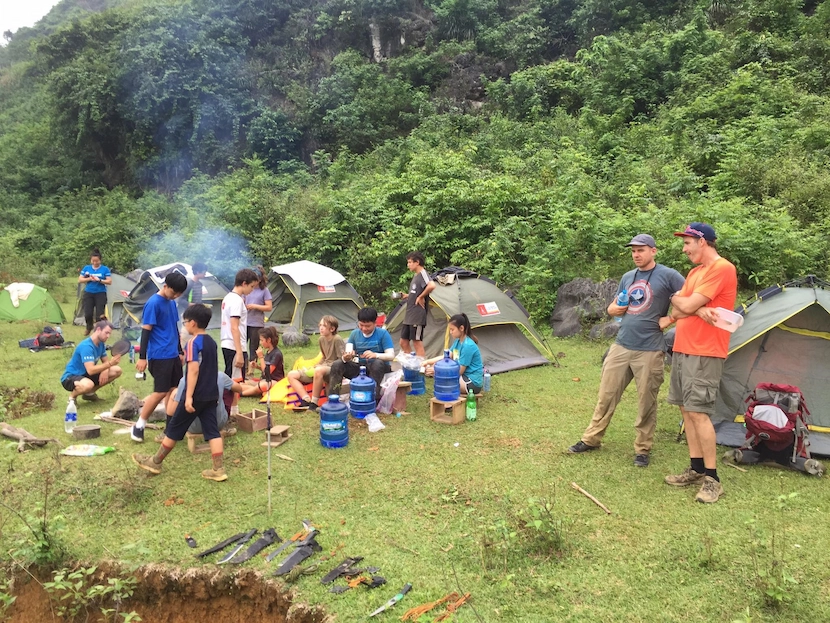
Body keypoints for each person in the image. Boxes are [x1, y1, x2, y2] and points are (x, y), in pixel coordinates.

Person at [567, 234, 686, 467]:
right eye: (633, 251)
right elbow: (613, 308)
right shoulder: (628, 277)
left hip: (650, 349)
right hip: (621, 345)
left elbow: (690, 300)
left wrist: (670, 318)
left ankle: (642, 449)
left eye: (641, 250)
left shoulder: (669, 275)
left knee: (646, 402)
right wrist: (616, 308)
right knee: (606, 396)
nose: (636, 255)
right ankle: (591, 439)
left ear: (653, 251)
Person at [664, 222, 737, 504]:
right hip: (683, 347)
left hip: (706, 351)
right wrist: (692, 305)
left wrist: (689, 304)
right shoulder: (695, 272)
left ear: (702, 241)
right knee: (686, 409)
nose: (684, 250)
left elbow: (686, 305)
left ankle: (712, 479)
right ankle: (695, 469)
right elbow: (678, 309)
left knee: (698, 412)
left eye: (687, 244)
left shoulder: (722, 268)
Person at [132, 304, 228, 481]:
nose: (184, 326)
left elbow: (193, 371)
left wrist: (189, 396)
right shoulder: (211, 342)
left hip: (195, 396)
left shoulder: (193, 343)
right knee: (212, 431)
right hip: (211, 394)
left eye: (184, 322)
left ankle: (155, 462)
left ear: (192, 323)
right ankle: (218, 469)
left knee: (174, 429)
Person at [131, 272, 187, 443]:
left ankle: (169, 428)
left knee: (174, 390)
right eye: (174, 292)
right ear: (166, 286)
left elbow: (174, 328)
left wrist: (180, 351)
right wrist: (142, 357)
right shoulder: (153, 303)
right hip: (159, 355)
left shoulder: (171, 303)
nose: (176, 296)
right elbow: (146, 330)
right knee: (160, 391)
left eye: (179, 294)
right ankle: (139, 425)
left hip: (172, 354)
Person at [329, 307, 394, 401]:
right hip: (361, 368)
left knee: (377, 363)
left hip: (380, 369)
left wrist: (376, 355)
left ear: (375, 323)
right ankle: (333, 400)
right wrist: (347, 357)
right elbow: (348, 353)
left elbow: (391, 355)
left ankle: (372, 400)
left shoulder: (383, 333)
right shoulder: (355, 334)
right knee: (337, 364)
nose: (364, 328)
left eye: (368, 326)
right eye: (361, 325)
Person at [286, 315, 345, 410]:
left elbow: (341, 360)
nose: (321, 328)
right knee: (291, 374)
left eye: (324, 326)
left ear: (332, 329)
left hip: (333, 368)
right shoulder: (321, 339)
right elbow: (324, 357)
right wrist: (315, 366)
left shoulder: (337, 339)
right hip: (322, 367)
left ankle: (314, 403)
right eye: (320, 325)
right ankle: (306, 399)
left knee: (318, 370)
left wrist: (320, 367)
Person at [60, 320, 122, 401]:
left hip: (85, 374)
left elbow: (105, 362)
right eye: (106, 333)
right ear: (98, 330)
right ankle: (72, 398)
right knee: (88, 385)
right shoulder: (87, 346)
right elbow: (91, 370)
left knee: (117, 370)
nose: (108, 336)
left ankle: (89, 394)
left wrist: (105, 371)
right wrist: (110, 364)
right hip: (71, 376)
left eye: (109, 333)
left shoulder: (101, 344)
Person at [424, 313, 484, 394]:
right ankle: (446, 403)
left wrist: (437, 371)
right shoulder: (458, 342)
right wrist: (427, 362)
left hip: (472, 382)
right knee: (441, 376)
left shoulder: (468, 346)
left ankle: (447, 404)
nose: (451, 332)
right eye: (450, 330)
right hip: (462, 377)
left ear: (461, 328)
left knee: (444, 381)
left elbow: (459, 371)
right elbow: (445, 356)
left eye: (452, 329)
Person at [399, 252, 436, 357]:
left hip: (417, 315)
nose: (408, 265)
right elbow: (415, 292)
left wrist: (421, 297)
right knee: (403, 342)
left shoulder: (423, 273)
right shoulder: (416, 276)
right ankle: (411, 365)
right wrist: (407, 295)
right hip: (409, 315)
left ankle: (421, 368)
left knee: (416, 342)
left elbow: (432, 285)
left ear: (417, 262)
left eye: (410, 262)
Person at [240, 326, 284, 397]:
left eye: (262, 340)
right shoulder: (269, 351)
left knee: (261, 385)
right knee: (244, 383)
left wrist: (261, 357)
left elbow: (267, 372)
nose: (260, 343)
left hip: (275, 382)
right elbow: (266, 368)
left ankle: (242, 394)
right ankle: (258, 391)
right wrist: (257, 366)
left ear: (269, 340)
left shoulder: (277, 354)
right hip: (264, 380)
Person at [78, 250, 112, 336]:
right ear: (91, 260)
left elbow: (109, 281)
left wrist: (99, 280)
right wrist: (89, 279)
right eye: (93, 261)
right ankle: (89, 327)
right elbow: (80, 279)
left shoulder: (105, 269)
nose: (95, 262)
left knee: (99, 314)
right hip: (88, 292)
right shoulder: (87, 268)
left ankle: (98, 331)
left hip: (100, 293)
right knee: (88, 313)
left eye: (96, 261)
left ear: (100, 260)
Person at [245, 266, 273, 370]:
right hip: (245, 322)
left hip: (257, 323)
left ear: (260, 279)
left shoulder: (264, 290)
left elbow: (269, 307)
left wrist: (255, 306)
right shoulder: (247, 288)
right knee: (242, 346)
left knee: (253, 347)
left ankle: (251, 371)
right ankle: (243, 369)